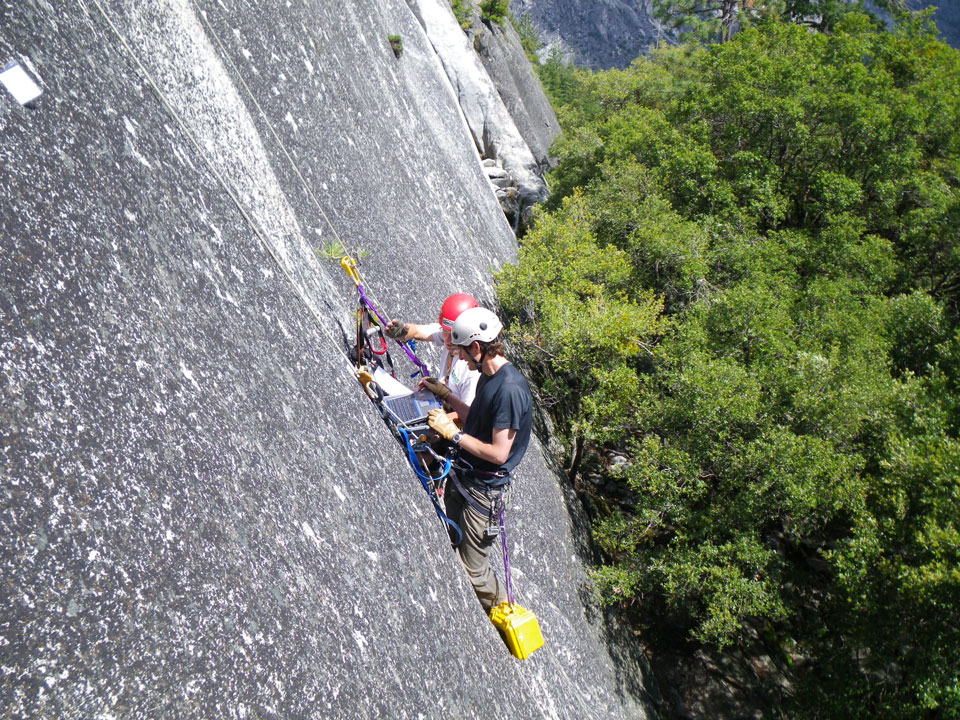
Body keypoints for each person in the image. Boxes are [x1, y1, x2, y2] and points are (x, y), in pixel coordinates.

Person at [425, 307, 533, 613]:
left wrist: (452, 434)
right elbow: (479, 421)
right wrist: (448, 396)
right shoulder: (488, 374)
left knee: (474, 570)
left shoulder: (510, 390)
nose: (458, 357)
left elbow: (499, 453)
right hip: (466, 478)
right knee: (449, 535)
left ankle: (506, 614)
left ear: (476, 347)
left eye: (461, 351)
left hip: (483, 492)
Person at [384, 293, 481, 417]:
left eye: (454, 334)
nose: (448, 340)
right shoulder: (450, 336)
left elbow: (468, 416)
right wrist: (403, 332)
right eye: (445, 331)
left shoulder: (471, 370)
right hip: (438, 405)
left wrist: (436, 420)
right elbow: (419, 331)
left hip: (451, 420)